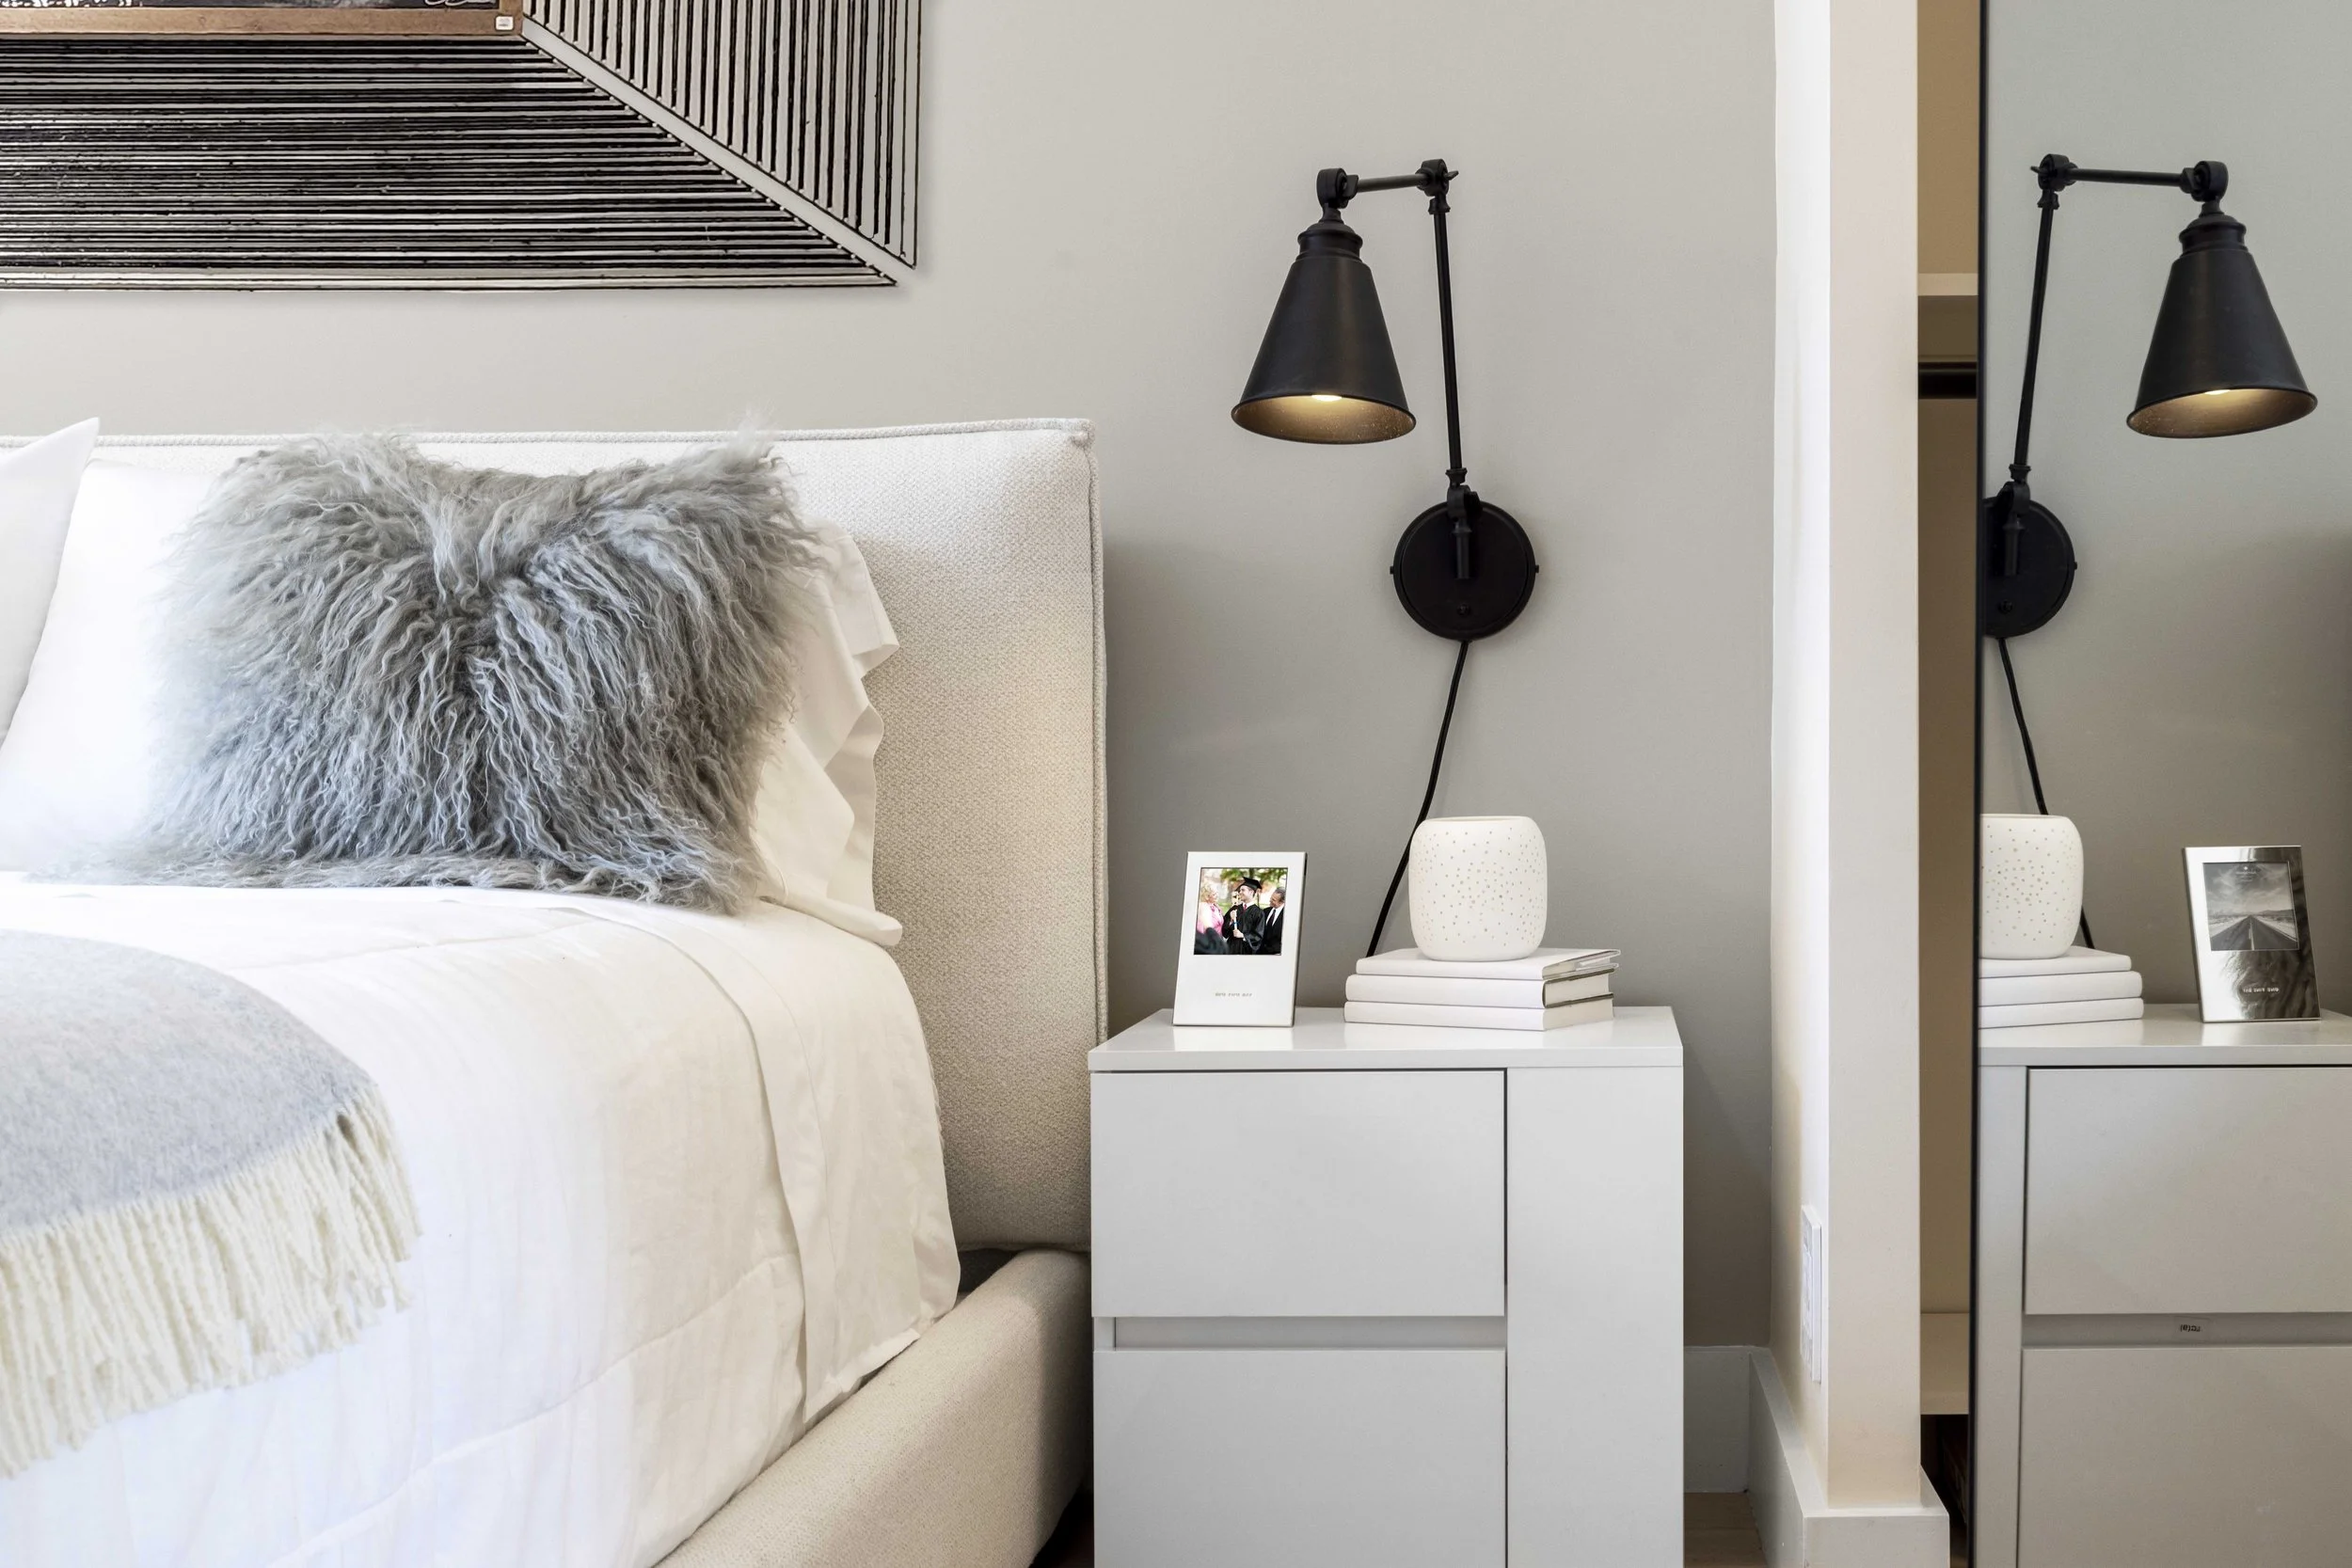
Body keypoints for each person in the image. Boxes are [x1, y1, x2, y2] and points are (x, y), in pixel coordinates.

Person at [1221, 877, 1270, 955]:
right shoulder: (1234, 909)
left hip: (1246, 950)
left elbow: (1259, 936)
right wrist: (1230, 920)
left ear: (1251, 892)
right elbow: (1224, 932)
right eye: (1240, 890)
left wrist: (1243, 935)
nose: (1240, 892)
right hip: (1231, 948)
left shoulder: (1259, 913)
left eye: (1243, 890)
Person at [1258, 884, 1285, 956]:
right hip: (1261, 952)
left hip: (1275, 954)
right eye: (1271, 898)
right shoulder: (1265, 911)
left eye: (1273, 900)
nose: (1270, 900)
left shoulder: (1286, 916)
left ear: (1282, 902)